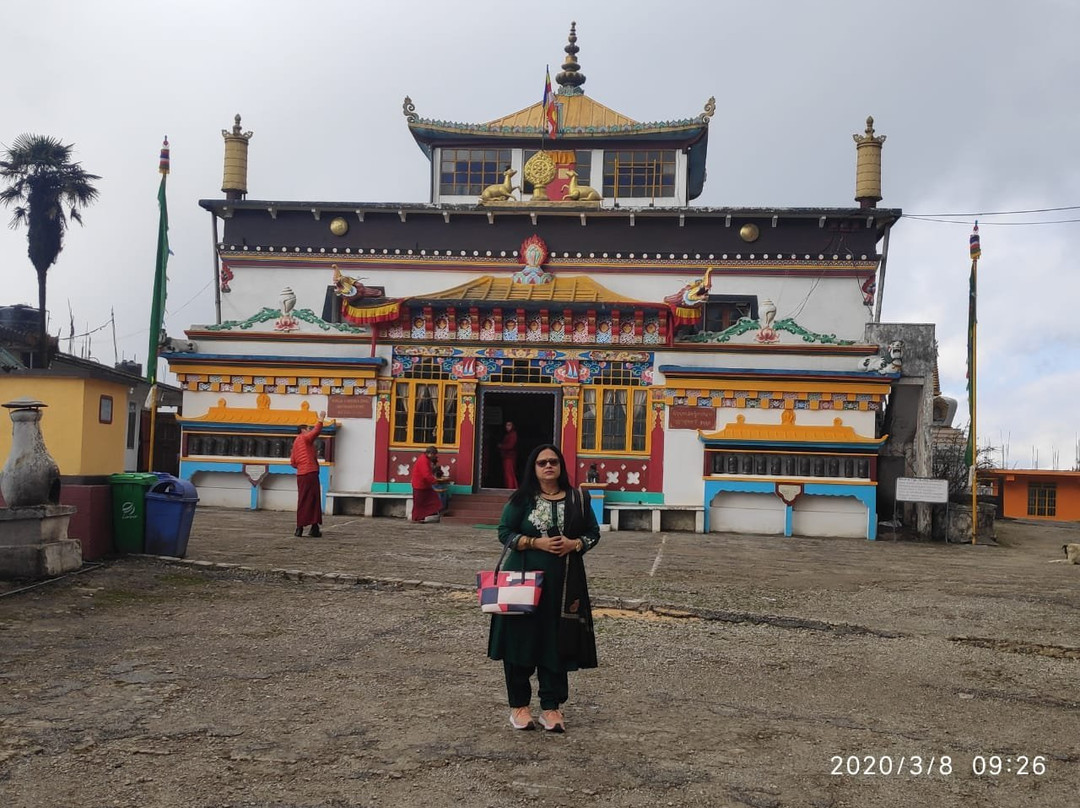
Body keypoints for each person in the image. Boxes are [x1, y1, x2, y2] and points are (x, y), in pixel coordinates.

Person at [488, 444, 600, 733]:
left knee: (557, 643)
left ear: (561, 465)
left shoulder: (579, 499)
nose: (548, 466)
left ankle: (551, 707)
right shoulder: (522, 499)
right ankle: (519, 707)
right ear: (533, 468)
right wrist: (535, 542)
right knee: (519, 643)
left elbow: (592, 534)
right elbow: (504, 532)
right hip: (521, 582)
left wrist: (574, 544)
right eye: (541, 463)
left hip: (562, 585)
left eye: (553, 461)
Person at [290, 411, 327, 537]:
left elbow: (293, 462)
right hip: (310, 472)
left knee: (303, 499)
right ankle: (313, 527)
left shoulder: (295, 443)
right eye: (308, 429)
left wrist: (301, 466)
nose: (309, 430)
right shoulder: (304, 438)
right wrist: (321, 419)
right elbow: (315, 432)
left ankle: (300, 527)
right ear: (303, 430)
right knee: (314, 499)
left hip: (301, 474)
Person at [411, 446, 442, 523]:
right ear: (430, 454)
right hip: (420, 485)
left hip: (424, 485)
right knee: (419, 503)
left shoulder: (426, 459)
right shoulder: (423, 460)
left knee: (433, 500)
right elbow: (426, 474)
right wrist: (434, 481)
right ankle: (417, 518)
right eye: (434, 455)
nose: (435, 456)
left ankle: (425, 515)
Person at [497, 420, 518, 489]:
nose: (507, 427)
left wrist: (501, 446)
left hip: (510, 457)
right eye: (506, 425)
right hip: (506, 456)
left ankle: (511, 488)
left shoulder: (513, 434)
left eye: (509, 425)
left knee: (509, 473)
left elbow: (510, 445)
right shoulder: (508, 434)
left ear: (513, 426)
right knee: (507, 473)